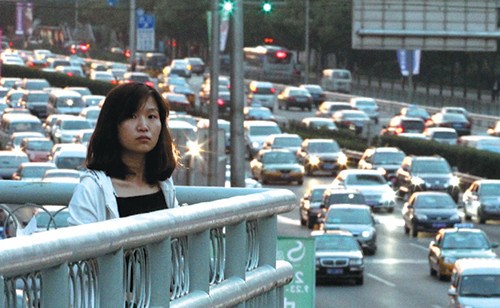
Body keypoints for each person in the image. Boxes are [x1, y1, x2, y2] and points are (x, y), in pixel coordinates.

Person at [68, 82, 180, 226]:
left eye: (151, 116)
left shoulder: (164, 184)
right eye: (132, 116)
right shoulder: (92, 190)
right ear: (112, 124)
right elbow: (80, 245)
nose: (143, 126)